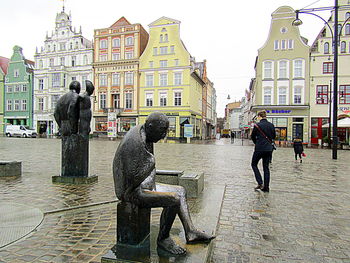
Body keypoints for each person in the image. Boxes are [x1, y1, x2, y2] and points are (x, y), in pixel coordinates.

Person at [113, 112, 214, 255]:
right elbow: (130, 181)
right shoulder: (134, 143)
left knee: (180, 190)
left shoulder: (145, 133)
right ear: (150, 126)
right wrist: (150, 163)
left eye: (166, 131)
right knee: (173, 199)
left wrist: (149, 170)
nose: (164, 135)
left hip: (145, 184)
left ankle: (190, 231)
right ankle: (163, 239)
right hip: (130, 192)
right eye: (162, 131)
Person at [250, 110, 276, 192]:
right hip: (268, 149)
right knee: (266, 167)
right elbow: (273, 136)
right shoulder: (271, 125)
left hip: (259, 148)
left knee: (254, 164)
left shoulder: (257, 125)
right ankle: (266, 187)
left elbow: (252, 136)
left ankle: (260, 182)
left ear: (259, 116)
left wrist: (256, 143)